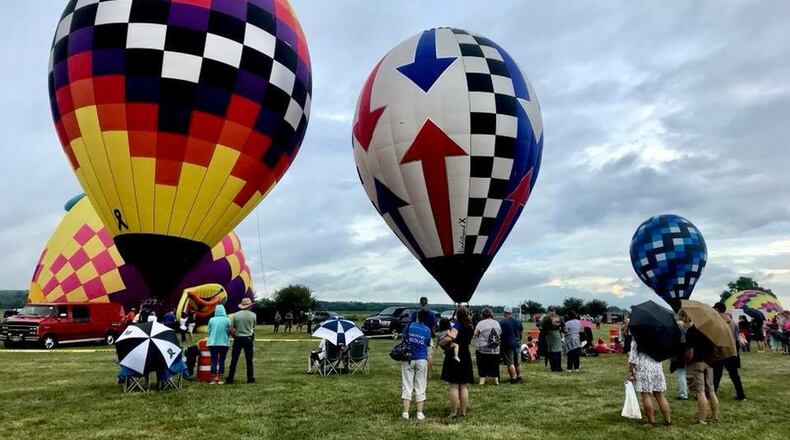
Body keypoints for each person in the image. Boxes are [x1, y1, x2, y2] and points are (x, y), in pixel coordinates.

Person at [681, 311, 719, 425]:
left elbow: (689, 351)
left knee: (700, 392)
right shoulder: (711, 330)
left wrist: (686, 361)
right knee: (711, 391)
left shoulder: (692, 331)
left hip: (696, 363)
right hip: (709, 362)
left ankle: (702, 419)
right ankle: (715, 416)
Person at [440, 306, 474, 418]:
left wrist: (442, 341)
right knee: (463, 386)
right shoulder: (470, 326)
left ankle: (453, 412)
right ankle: (463, 411)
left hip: (454, 355)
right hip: (465, 354)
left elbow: (451, 338)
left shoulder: (457, 325)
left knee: (454, 386)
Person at [628, 339, 671, 426]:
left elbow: (632, 358)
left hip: (643, 369)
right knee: (660, 395)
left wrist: (631, 370)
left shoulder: (636, 339)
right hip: (657, 368)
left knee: (646, 395)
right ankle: (668, 420)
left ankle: (651, 421)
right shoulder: (657, 338)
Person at [400, 309, 432, 420]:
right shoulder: (427, 330)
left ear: (417, 316)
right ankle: (419, 413)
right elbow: (428, 344)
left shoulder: (409, 326)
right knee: (421, 386)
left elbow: (403, 338)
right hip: (421, 359)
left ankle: (405, 413)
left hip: (408, 358)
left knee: (407, 385)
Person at [712, 303, 746, 400]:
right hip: (731, 351)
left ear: (717, 309)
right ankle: (741, 394)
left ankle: (712, 394)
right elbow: (736, 337)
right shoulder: (732, 321)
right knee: (734, 375)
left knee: (716, 375)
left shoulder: (716, 322)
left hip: (720, 351)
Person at [226, 298, 257, 385]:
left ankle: (230, 379)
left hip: (238, 339)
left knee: (234, 360)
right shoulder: (253, 315)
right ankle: (250, 379)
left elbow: (231, 329)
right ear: (249, 306)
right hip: (248, 338)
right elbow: (253, 326)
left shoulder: (235, 315)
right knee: (249, 360)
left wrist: (235, 336)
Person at [410, 297, 437, 376]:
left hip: (416, 336)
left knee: (416, 353)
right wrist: (433, 335)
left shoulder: (415, 313)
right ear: (427, 303)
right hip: (428, 335)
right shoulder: (431, 313)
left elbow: (411, 324)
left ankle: (416, 371)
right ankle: (429, 374)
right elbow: (433, 326)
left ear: (420, 303)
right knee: (429, 356)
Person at [473, 308, 501, 385]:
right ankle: (496, 380)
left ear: (483, 315)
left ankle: (482, 380)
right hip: (495, 349)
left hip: (483, 349)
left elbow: (475, 333)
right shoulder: (497, 323)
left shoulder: (481, 323)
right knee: (495, 365)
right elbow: (499, 333)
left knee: (482, 365)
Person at [207, 304, 231, 384]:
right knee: (221, 360)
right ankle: (220, 379)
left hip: (212, 343)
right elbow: (228, 331)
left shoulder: (211, 320)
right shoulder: (227, 320)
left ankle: (213, 379)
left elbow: (209, 332)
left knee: (213, 360)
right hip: (224, 343)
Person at [499, 306, 523, 383]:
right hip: (517, 343)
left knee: (510, 363)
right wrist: (519, 340)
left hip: (507, 344)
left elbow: (499, 334)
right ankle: (519, 377)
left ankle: (513, 378)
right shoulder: (518, 321)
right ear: (511, 312)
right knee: (518, 362)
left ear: (504, 312)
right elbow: (521, 333)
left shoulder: (502, 322)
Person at [540, 306, 563, 372]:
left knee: (552, 352)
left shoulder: (547, 317)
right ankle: (558, 367)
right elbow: (561, 326)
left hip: (550, 335)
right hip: (557, 334)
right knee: (558, 351)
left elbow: (541, 327)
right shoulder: (557, 316)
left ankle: (554, 368)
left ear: (548, 310)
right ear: (554, 310)